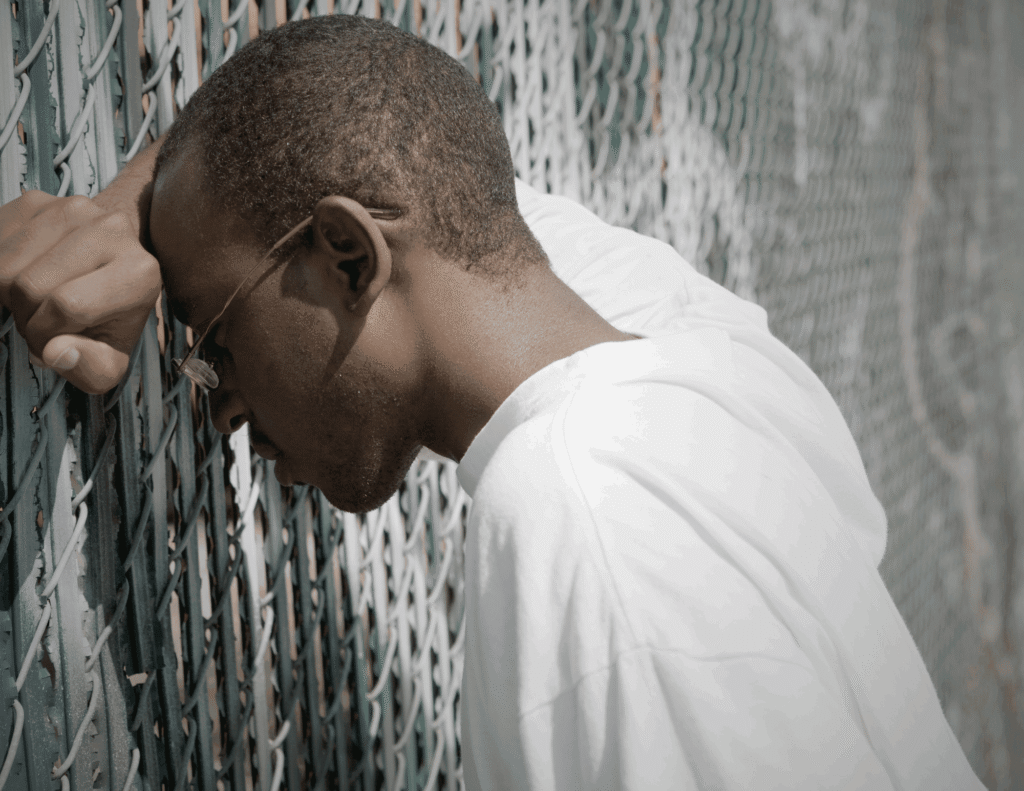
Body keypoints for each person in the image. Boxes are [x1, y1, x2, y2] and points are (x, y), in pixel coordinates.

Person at [0, 14, 985, 791]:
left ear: (350, 258)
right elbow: (380, 150)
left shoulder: (584, 525)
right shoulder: (693, 354)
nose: (217, 405)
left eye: (214, 338)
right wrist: (127, 206)